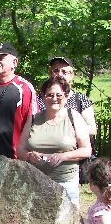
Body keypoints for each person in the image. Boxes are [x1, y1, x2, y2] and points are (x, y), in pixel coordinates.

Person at [17, 77, 91, 205]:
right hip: (35, 181)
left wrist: (63, 156)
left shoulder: (74, 117)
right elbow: (20, 150)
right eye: (50, 95)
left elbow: (86, 150)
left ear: (66, 96)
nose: (54, 98)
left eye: (59, 95)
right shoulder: (33, 119)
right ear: (44, 97)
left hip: (66, 183)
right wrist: (29, 156)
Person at [47, 57, 97, 136]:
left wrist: (65, 132)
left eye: (64, 72)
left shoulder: (81, 99)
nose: (60, 74)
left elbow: (92, 129)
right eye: (56, 71)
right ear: (50, 74)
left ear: (71, 75)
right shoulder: (42, 99)